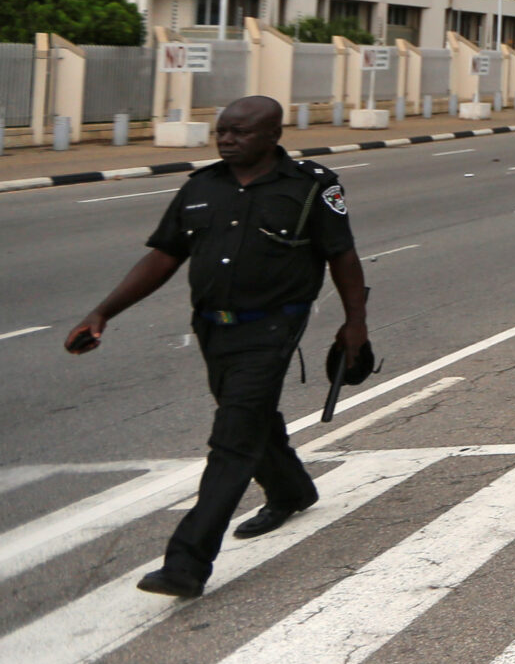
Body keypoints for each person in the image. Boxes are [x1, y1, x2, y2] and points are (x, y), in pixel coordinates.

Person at [63, 96, 367, 598]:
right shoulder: (202, 186)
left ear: (273, 135)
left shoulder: (311, 188)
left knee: (231, 441)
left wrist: (355, 325)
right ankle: (292, 489)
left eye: (239, 132)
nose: (226, 139)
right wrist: (103, 312)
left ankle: (187, 563)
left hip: (272, 328)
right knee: (248, 417)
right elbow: (164, 257)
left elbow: (343, 256)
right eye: (221, 131)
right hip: (211, 329)